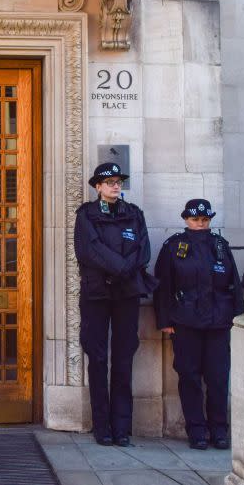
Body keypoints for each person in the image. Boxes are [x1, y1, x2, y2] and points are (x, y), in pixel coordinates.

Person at [74, 162, 158, 447]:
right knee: (97, 360)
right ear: (97, 186)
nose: (115, 185)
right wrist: (121, 267)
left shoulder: (134, 214)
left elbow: (143, 250)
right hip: (97, 294)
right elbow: (90, 250)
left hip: (126, 294)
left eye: (118, 181)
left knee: (123, 359)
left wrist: (123, 270)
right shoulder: (86, 215)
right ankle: (102, 427)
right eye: (109, 181)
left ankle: (121, 427)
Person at [153, 199, 244, 450]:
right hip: (186, 322)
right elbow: (163, 287)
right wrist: (165, 320)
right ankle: (197, 430)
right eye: (196, 220)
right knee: (190, 377)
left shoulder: (220, 246)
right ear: (186, 220)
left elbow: (234, 284)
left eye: (205, 220)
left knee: (217, 378)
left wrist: (237, 315)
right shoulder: (173, 247)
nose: (200, 224)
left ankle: (218, 430)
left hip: (218, 323)